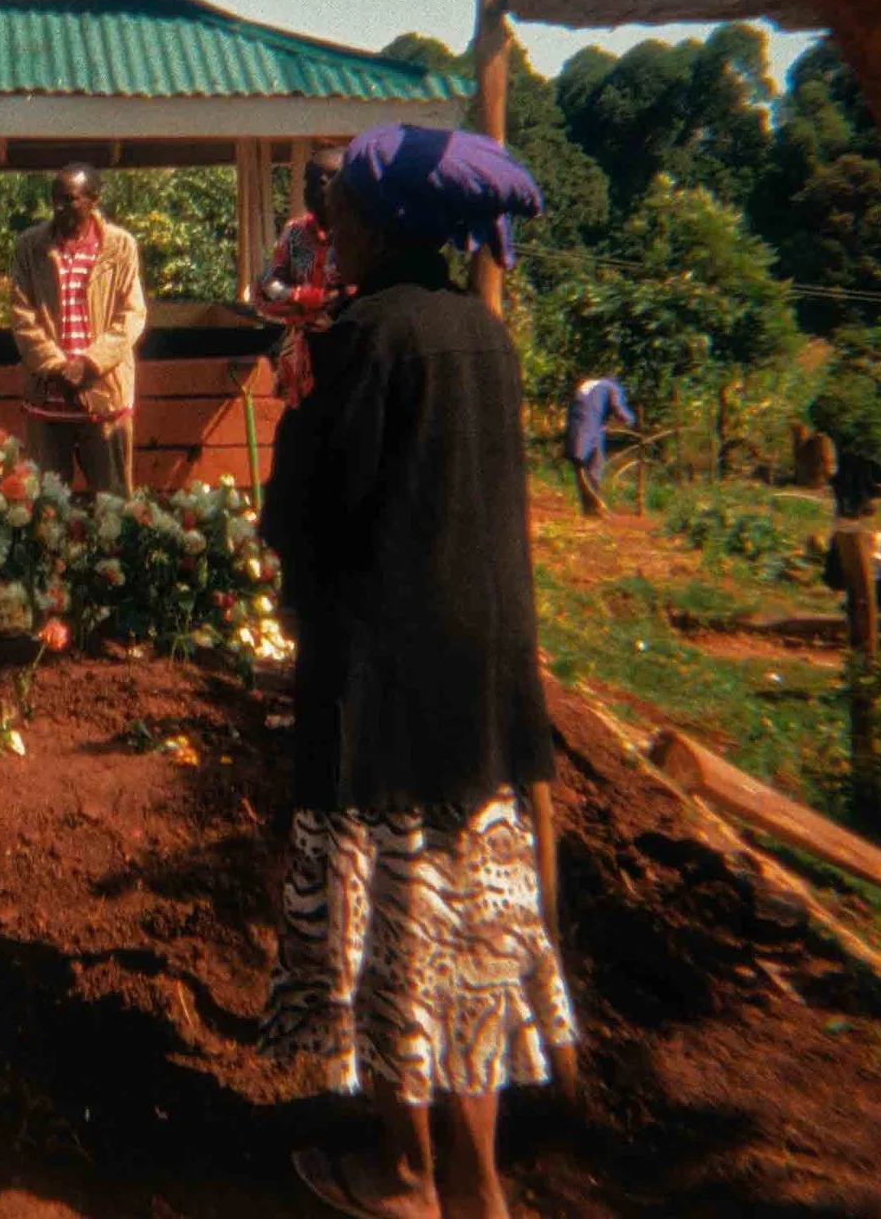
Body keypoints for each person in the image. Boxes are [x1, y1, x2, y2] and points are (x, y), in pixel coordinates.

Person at [258, 123, 575, 1219]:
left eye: (338, 208)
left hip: (382, 688)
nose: (324, 225)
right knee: (472, 929)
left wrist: (291, 414)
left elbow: (305, 519)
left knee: (392, 926)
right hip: (481, 689)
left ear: (380, 224)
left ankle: (401, 1175)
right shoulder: (482, 336)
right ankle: (480, 1184)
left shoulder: (361, 340)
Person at [9, 163, 147, 496]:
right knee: (45, 508)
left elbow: (132, 315)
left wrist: (89, 363)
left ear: (93, 200)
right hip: (48, 398)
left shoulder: (120, 246)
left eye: (69, 199)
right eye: (55, 199)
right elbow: (21, 315)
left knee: (114, 504)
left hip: (104, 397)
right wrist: (58, 367)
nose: (59, 207)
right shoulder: (30, 247)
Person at [257, 146, 351, 409]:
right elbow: (265, 288)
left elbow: (353, 296)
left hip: (346, 359)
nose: (316, 186)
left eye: (328, 178)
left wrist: (332, 302)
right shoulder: (294, 234)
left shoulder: (359, 236)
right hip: (299, 364)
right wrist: (308, 298)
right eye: (310, 179)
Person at [563, 376, 635, 518]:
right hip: (590, 428)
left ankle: (590, 508)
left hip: (576, 427)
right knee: (593, 467)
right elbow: (618, 409)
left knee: (582, 468)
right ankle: (596, 507)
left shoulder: (588, 384)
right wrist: (631, 420)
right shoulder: (612, 387)